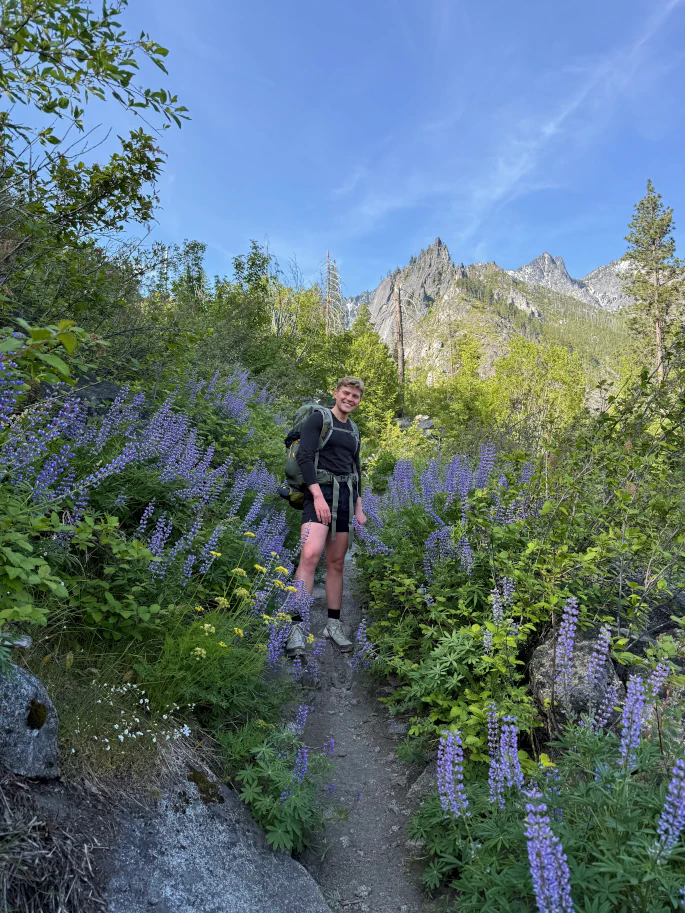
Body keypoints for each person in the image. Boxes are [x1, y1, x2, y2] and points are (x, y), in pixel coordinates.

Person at [285, 377, 367, 656]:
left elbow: (356, 469)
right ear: (336, 393)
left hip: (345, 498)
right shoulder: (318, 420)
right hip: (318, 496)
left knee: (336, 563)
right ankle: (296, 627)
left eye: (355, 396)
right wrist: (317, 496)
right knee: (309, 556)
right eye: (346, 393)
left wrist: (358, 506)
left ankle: (333, 624)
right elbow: (305, 458)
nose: (350, 399)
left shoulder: (354, 430)